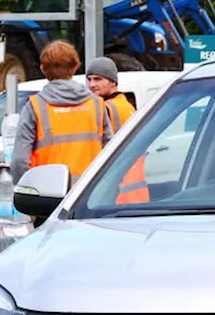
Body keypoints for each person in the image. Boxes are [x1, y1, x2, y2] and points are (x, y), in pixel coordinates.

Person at [11, 41, 113, 190]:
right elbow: (110, 152)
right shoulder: (97, 104)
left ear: (42, 69)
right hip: (89, 196)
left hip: (50, 197)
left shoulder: (35, 107)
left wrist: (29, 194)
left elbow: (19, 161)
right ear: (75, 67)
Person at [86, 56, 148, 204]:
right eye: (89, 79)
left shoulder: (105, 108)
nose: (92, 84)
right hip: (137, 191)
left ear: (113, 81)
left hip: (116, 195)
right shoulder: (127, 105)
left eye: (98, 79)